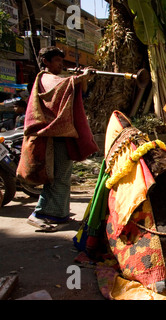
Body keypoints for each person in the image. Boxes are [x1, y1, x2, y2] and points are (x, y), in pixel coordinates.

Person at [18, 46, 98, 232]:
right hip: (51, 138)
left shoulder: (61, 79)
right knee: (55, 178)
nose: (61, 65)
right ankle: (38, 214)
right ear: (46, 62)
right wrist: (79, 78)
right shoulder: (45, 78)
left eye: (62, 62)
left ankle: (59, 214)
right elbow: (60, 89)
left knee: (62, 177)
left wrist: (82, 80)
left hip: (62, 136)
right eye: (57, 61)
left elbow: (78, 95)